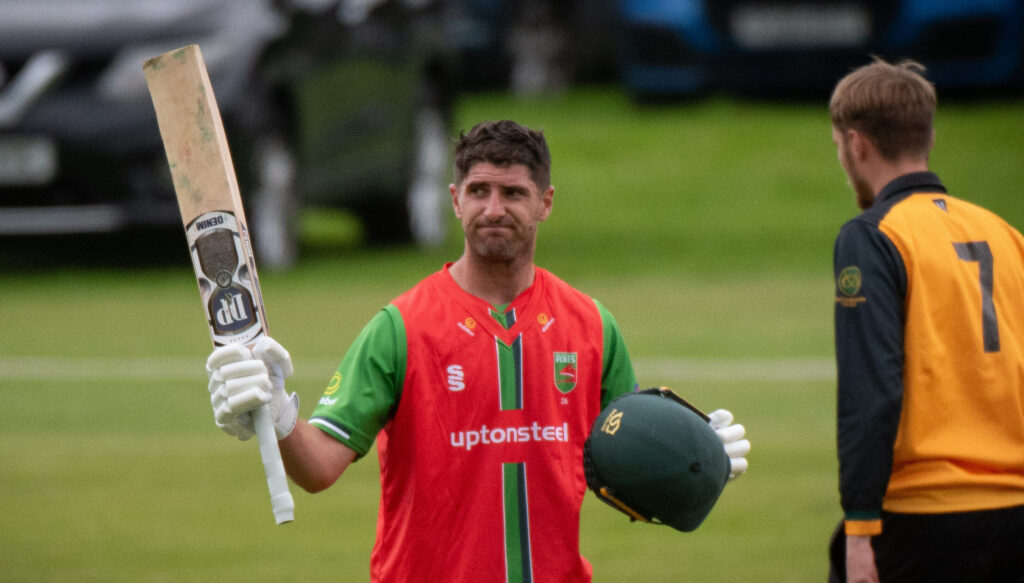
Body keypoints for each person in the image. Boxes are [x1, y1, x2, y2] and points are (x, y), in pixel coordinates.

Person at [205, 120, 750, 583]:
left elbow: (629, 457)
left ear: (545, 202)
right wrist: (278, 413)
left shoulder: (591, 326)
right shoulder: (401, 327)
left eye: (513, 193)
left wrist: (695, 457)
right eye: (479, 191)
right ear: (454, 199)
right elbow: (319, 468)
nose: (494, 208)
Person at [827, 58, 1024, 582]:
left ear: (856, 144)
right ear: (929, 136)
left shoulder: (871, 237)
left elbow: (873, 392)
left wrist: (861, 529)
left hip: (923, 521)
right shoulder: (1006, 235)